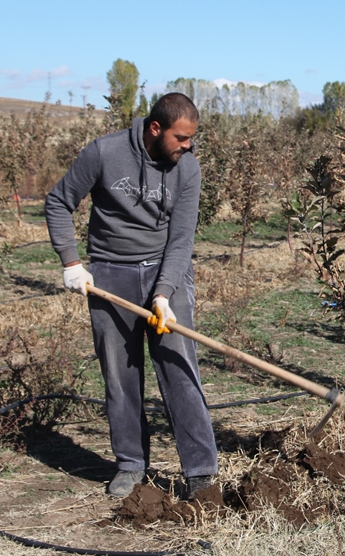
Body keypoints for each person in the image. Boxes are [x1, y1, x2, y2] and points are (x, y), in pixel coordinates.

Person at [45, 92, 218, 499]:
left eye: (191, 138)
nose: (188, 145)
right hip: (109, 275)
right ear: (155, 129)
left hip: (165, 272)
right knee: (120, 375)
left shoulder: (187, 168)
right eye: (181, 138)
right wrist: (71, 262)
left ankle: (200, 470)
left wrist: (163, 294)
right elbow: (58, 202)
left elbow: (181, 240)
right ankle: (130, 464)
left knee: (179, 366)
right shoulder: (104, 153)